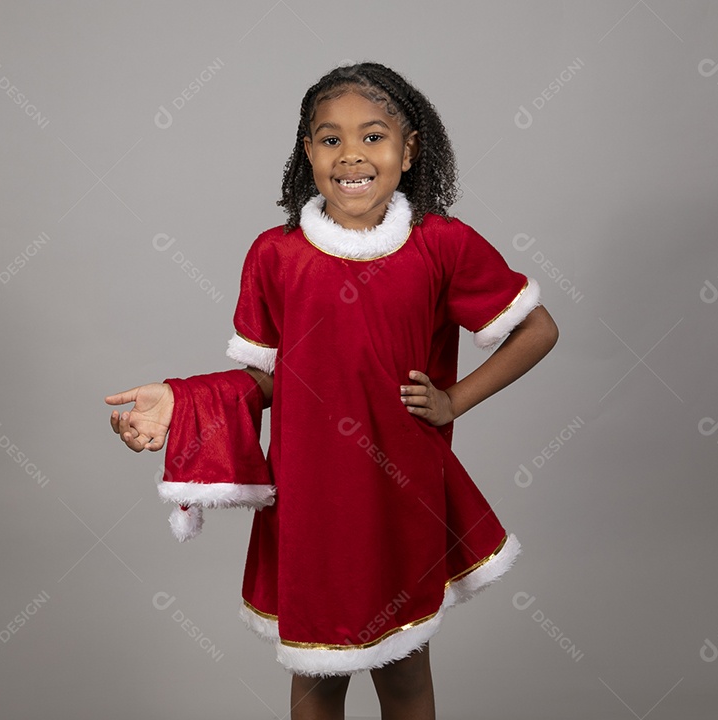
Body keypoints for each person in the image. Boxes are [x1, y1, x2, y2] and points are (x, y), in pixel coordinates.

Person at [106, 62, 558, 720]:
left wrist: (455, 400)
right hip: (312, 499)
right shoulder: (275, 255)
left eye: (373, 137)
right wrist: (183, 401)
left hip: (400, 493)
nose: (352, 154)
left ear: (409, 151)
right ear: (307, 153)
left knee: (404, 674)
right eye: (329, 138)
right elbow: (269, 377)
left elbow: (536, 329)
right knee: (316, 678)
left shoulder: (443, 245)